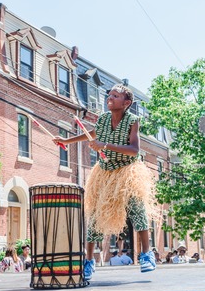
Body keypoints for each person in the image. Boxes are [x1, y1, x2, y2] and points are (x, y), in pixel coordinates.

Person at [53, 84, 158, 280]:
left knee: (137, 209)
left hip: (128, 170)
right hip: (105, 172)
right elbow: (91, 134)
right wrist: (66, 142)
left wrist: (105, 145)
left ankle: (146, 254)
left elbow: (134, 149)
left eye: (115, 96)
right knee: (95, 215)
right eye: (109, 94)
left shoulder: (133, 120)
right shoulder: (103, 119)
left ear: (126, 103)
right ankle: (89, 260)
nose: (110, 97)